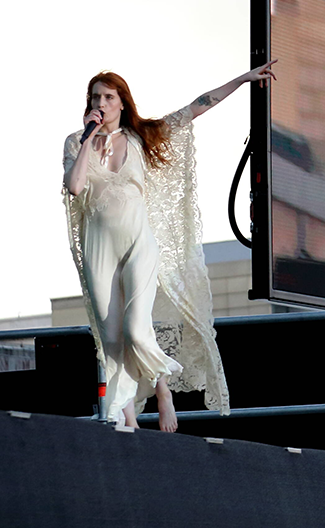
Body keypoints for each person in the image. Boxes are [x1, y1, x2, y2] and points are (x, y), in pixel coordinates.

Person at [62, 62, 277, 429]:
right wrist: (87, 139)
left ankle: (163, 390)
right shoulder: (75, 142)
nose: (101, 102)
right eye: (95, 96)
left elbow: (195, 108)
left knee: (135, 329)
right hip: (99, 247)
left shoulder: (141, 136)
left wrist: (242, 79)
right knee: (111, 338)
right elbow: (75, 187)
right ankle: (125, 416)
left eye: (108, 97)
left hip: (138, 244)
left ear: (121, 102)